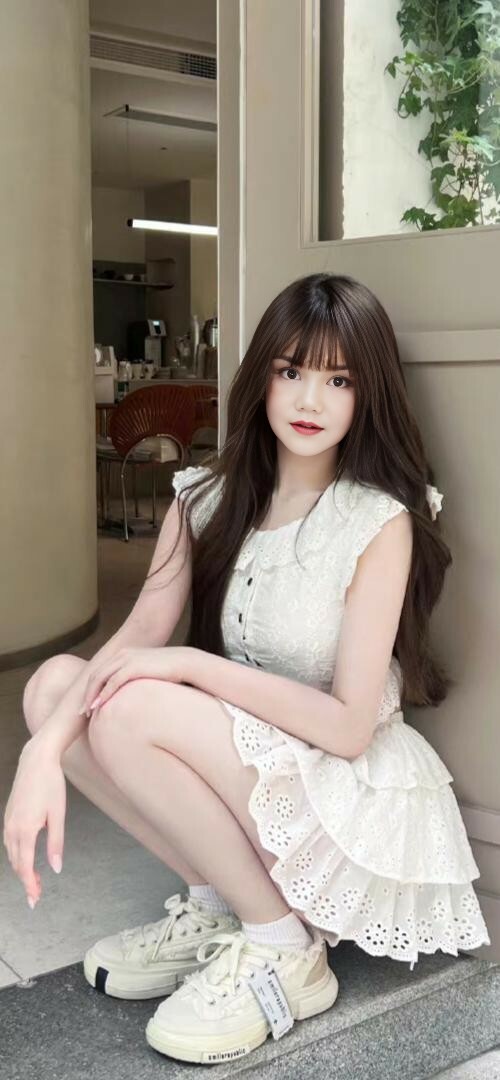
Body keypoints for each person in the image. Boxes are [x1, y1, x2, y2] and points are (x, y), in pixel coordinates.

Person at [4, 273, 490, 1065]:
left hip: (342, 795)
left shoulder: (378, 520)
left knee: (130, 705)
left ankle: (284, 948)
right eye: (291, 370)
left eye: (339, 380)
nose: (310, 399)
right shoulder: (205, 498)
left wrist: (191, 665)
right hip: (259, 772)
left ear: (368, 394)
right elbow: (133, 638)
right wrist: (41, 751)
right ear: (262, 373)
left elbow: (347, 726)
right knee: (56, 687)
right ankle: (220, 905)